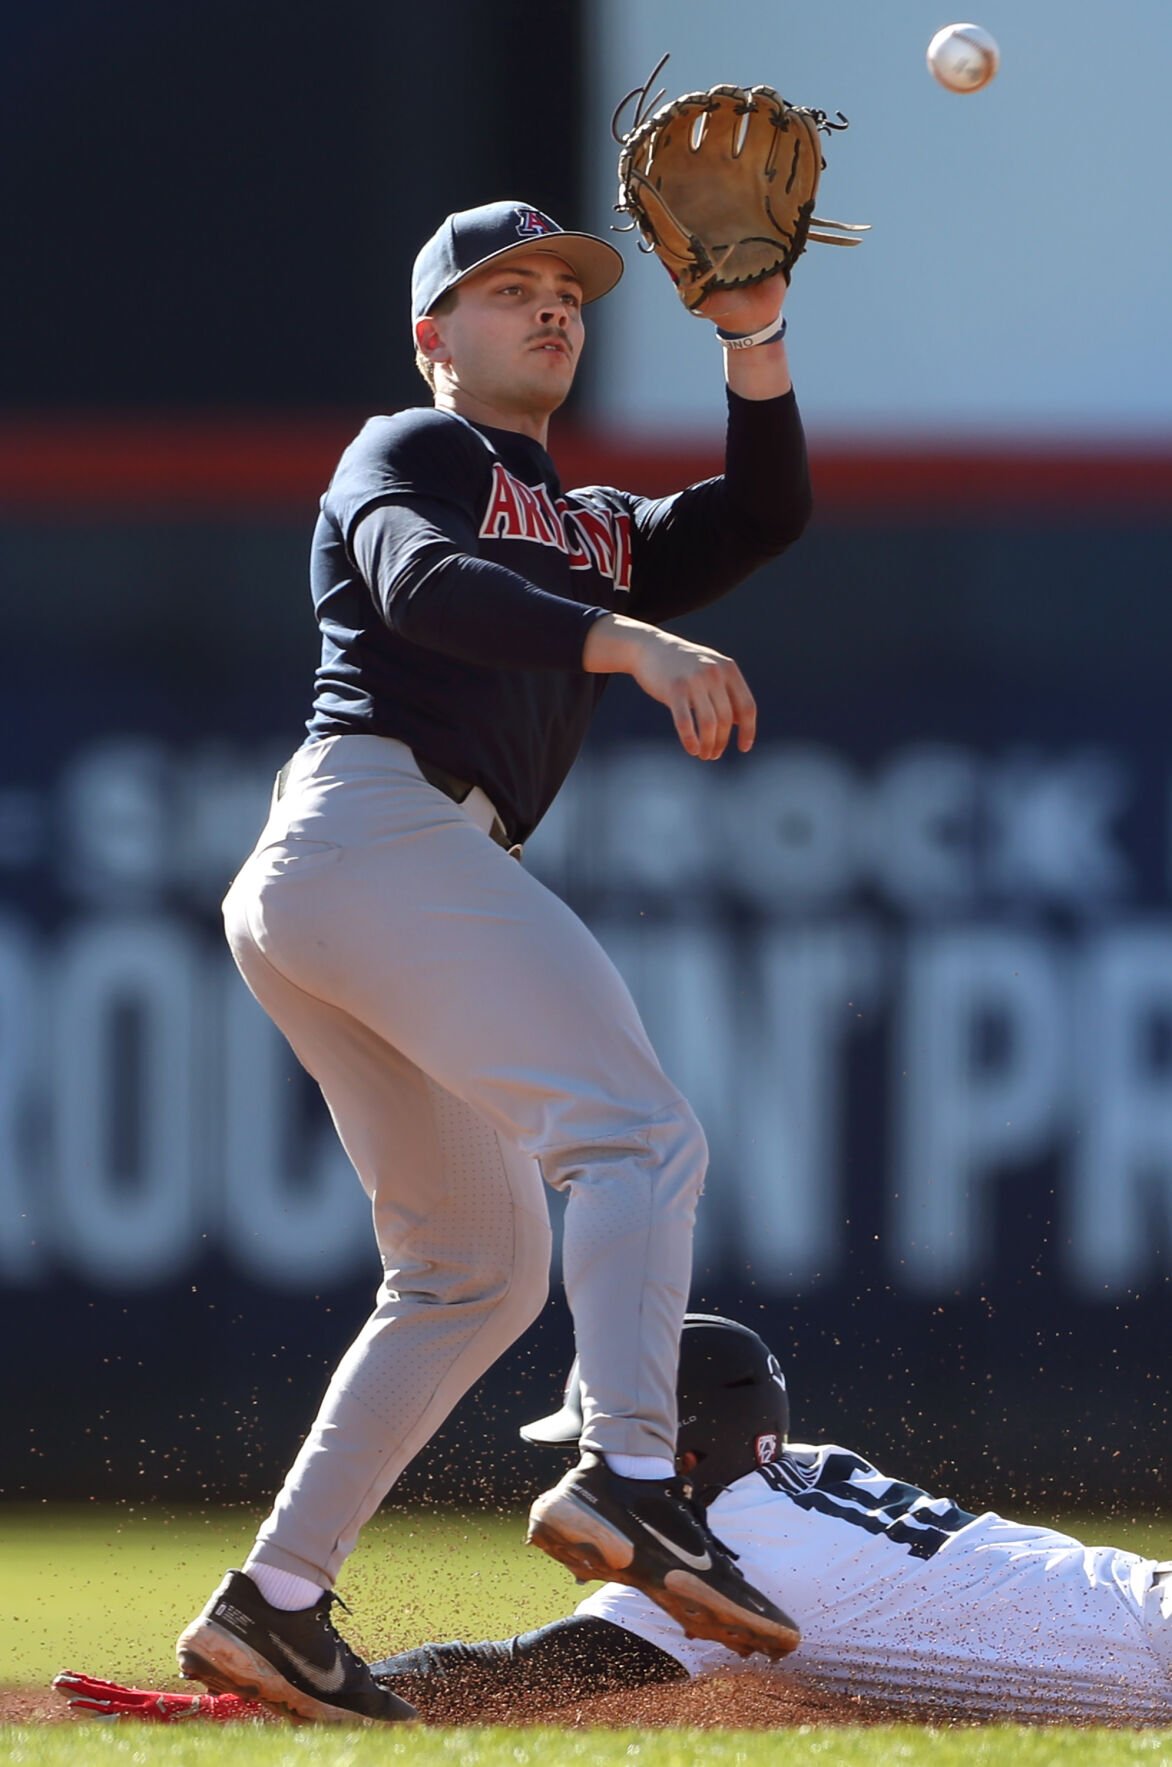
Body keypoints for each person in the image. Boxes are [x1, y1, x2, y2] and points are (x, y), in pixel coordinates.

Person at [172, 199, 814, 1723]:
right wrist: (630, 643)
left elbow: (759, 513)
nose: (548, 308)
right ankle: (636, 1476)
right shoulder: (409, 449)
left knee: (472, 1269)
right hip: (373, 827)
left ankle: (273, 1603)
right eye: (504, 288)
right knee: (640, 1132)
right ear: (431, 337)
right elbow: (417, 583)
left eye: (565, 291)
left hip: (359, 870)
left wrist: (753, 335)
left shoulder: (590, 521)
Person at [61, 1316, 1172, 1727]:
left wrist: (271, 1701)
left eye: (611, 1442)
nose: (599, 1465)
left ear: (678, 1451)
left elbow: (512, 1671)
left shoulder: (727, 1559)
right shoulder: (804, 1472)